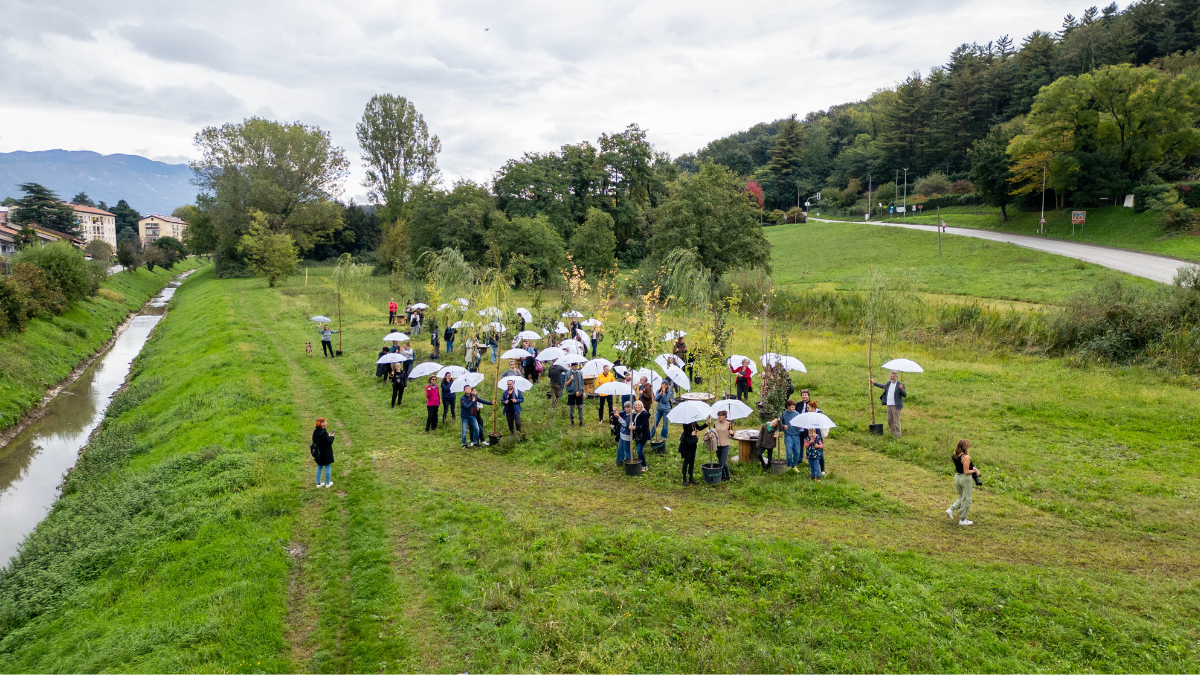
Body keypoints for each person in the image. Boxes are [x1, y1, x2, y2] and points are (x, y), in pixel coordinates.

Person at [947, 439, 979, 526]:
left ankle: (951, 509)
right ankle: (963, 519)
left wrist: (971, 469)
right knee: (967, 499)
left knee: (962, 496)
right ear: (965, 447)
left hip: (957, 477)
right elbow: (966, 471)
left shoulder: (955, 455)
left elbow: (961, 467)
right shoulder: (966, 457)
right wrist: (974, 471)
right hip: (965, 479)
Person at [871, 371, 907, 438]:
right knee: (889, 420)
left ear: (896, 377)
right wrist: (874, 383)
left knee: (896, 420)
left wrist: (902, 389)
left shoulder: (900, 384)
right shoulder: (888, 383)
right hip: (889, 404)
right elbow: (883, 386)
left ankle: (898, 434)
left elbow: (904, 395)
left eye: (893, 376)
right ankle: (893, 432)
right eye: (891, 376)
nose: (892, 377)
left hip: (896, 405)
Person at [679, 419, 707, 485]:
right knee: (686, 461)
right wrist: (691, 434)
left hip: (693, 443)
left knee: (692, 461)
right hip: (686, 443)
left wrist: (706, 424)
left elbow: (699, 428)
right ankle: (684, 478)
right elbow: (685, 433)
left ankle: (691, 478)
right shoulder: (685, 422)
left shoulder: (694, 421)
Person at [311, 417, 335, 488]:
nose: (326, 423)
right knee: (327, 466)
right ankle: (327, 483)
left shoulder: (315, 431)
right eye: (325, 421)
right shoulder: (323, 432)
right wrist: (331, 437)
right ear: (321, 423)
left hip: (318, 453)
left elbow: (316, 440)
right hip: (325, 453)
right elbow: (328, 442)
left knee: (319, 466)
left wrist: (327, 437)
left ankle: (318, 483)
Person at [781, 400, 803, 470]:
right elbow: (780, 423)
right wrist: (783, 426)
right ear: (788, 406)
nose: (794, 408)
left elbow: (800, 424)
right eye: (792, 407)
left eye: (794, 407)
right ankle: (789, 465)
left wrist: (800, 427)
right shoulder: (784, 414)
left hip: (796, 435)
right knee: (789, 452)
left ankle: (794, 465)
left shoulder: (797, 414)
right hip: (788, 435)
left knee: (797, 452)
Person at [806, 400, 827, 475]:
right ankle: (813, 470)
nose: (807, 409)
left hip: (817, 435)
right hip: (810, 435)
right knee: (811, 451)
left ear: (813, 408)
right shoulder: (808, 415)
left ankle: (822, 470)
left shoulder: (819, 414)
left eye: (808, 408)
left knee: (820, 453)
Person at [631, 400, 650, 470]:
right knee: (639, 450)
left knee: (639, 451)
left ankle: (644, 465)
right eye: (636, 405)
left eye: (638, 405)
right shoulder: (635, 414)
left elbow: (644, 426)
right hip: (637, 435)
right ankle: (640, 464)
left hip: (643, 435)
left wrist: (635, 427)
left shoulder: (644, 414)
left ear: (641, 406)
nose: (637, 406)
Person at [713, 410, 733, 480]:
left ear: (725, 416)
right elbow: (714, 432)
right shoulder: (715, 424)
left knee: (723, 462)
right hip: (717, 444)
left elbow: (732, 435)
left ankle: (728, 475)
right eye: (718, 415)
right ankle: (722, 475)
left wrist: (732, 433)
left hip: (725, 444)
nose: (719, 417)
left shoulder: (728, 424)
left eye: (721, 415)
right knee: (719, 461)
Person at [614, 401, 633, 465]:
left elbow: (625, 424)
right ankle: (619, 462)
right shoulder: (625, 412)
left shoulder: (631, 415)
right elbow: (617, 414)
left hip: (627, 435)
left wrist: (619, 417)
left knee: (627, 451)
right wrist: (615, 411)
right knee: (620, 449)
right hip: (622, 434)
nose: (627, 409)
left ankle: (630, 463)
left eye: (629, 407)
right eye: (626, 407)